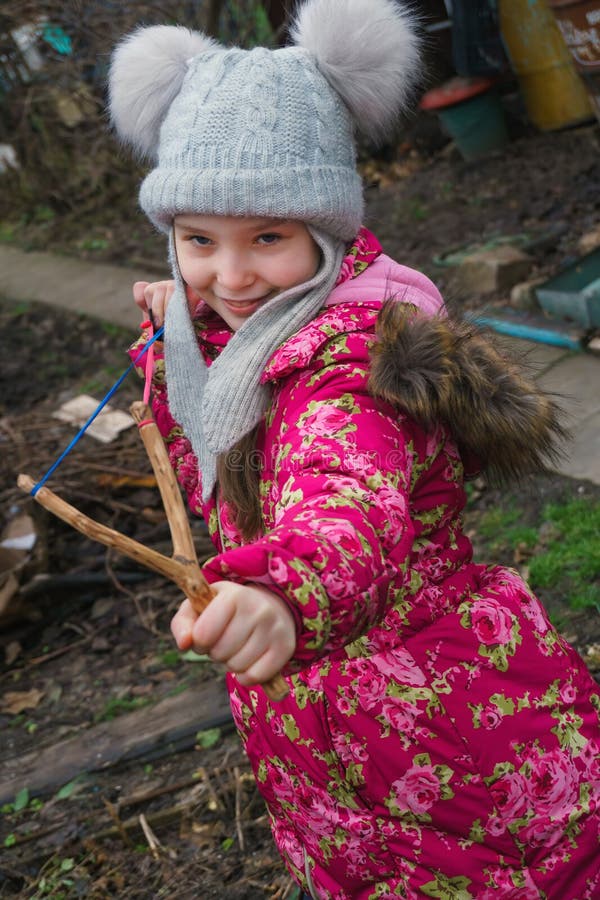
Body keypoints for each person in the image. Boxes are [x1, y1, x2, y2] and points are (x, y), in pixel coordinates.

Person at [108, 1, 600, 896]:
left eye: (267, 237)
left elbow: (346, 497)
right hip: (338, 745)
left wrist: (280, 591)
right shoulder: (231, 332)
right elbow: (223, 349)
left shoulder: (350, 372)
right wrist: (181, 323)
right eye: (197, 241)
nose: (231, 276)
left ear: (327, 233)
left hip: (439, 730)